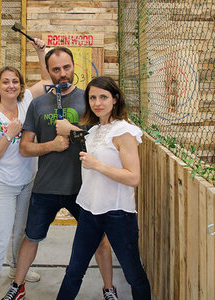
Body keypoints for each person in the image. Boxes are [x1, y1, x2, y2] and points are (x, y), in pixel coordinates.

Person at [1, 47, 117, 300]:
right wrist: (51, 145)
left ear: (74, 66)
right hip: (46, 187)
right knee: (31, 238)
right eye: (56, 69)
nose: (62, 73)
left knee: (100, 240)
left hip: (83, 187)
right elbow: (25, 148)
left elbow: (104, 140)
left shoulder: (91, 99)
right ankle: (17, 286)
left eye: (66, 67)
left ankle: (109, 289)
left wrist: (72, 130)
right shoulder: (38, 104)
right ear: (49, 72)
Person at [56, 76, 151, 299]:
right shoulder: (95, 131)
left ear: (115, 99)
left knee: (133, 275)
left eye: (103, 97)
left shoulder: (124, 132)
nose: (97, 103)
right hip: (89, 210)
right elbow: (79, 133)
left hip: (118, 213)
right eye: (92, 98)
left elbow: (133, 177)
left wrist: (97, 164)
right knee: (74, 272)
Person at [0, 38, 50, 300]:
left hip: (26, 181)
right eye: (6, 82)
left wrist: (41, 53)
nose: (11, 85)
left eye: (15, 81)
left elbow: (47, 82)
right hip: (0, 182)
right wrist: (8, 136)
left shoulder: (26, 101)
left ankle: (15, 271)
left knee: (21, 232)